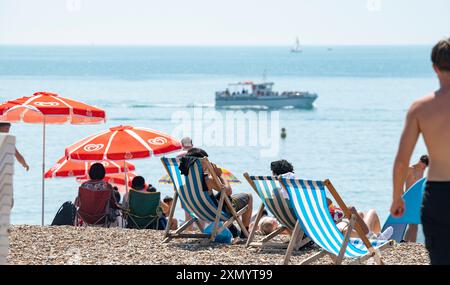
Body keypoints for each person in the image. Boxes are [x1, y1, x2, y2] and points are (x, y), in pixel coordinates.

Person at [390, 38, 450, 265]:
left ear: (434, 67)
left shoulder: (420, 108)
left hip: (437, 196)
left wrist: (397, 198)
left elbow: (400, 161)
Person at [180, 147, 253, 238]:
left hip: (199, 212)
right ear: (201, 163)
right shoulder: (208, 180)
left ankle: (231, 228)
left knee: (219, 197)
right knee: (248, 196)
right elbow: (228, 191)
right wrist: (220, 175)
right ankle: (244, 232)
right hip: (214, 213)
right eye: (206, 161)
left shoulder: (183, 180)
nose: (208, 164)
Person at [403, 155, 429, 242]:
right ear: (420, 162)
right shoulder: (410, 169)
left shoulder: (422, 171)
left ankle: (410, 244)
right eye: (424, 166)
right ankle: (407, 243)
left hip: (417, 200)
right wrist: (402, 197)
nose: (424, 168)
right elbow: (401, 183)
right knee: (411, 223)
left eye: (426, 167)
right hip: (408, 199)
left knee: (415, 224)